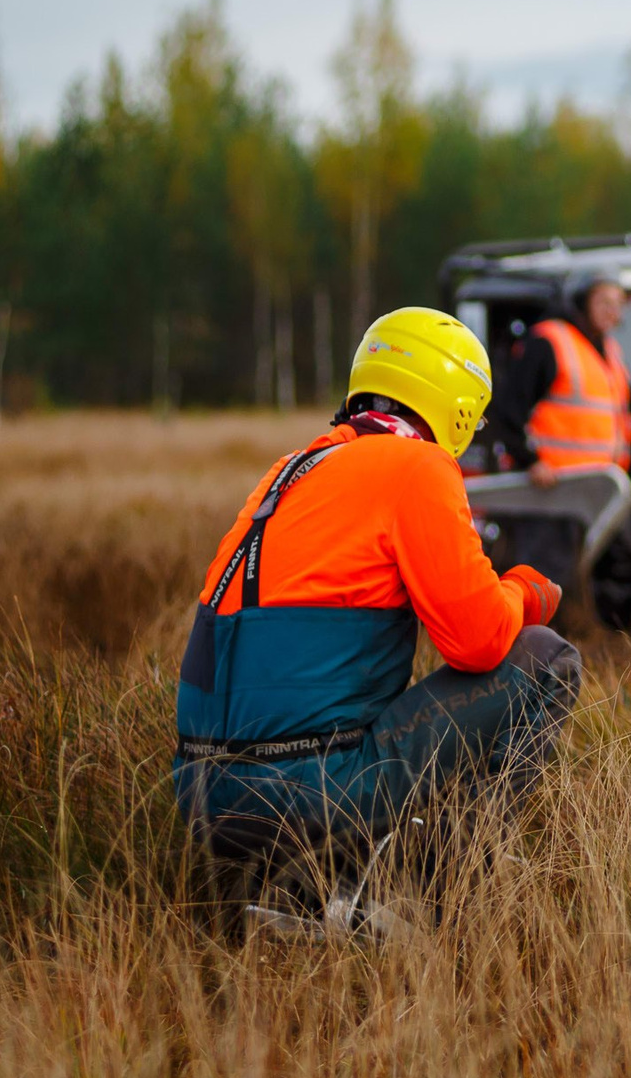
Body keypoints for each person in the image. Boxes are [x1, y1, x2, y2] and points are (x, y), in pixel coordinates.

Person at [175, 307, 581, 936]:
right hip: (310, 785)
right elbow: (477, 643)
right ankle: (436, 896)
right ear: (458, 407)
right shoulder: (416, 467)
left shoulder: (292, 470)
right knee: (547, 659)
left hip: (203, 794)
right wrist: (525, 592)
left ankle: (307, 888)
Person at [477, 268, 631, 607]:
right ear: (582, 302)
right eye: (604, 302)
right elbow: (507, 412)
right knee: (545, 580)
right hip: (553, 492)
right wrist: (530, 461)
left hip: (601, 490)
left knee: (621, 571)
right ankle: (535, 652)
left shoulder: (609, 352)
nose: (614, 311)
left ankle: (618, 648)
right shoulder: (548, 343)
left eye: (619, 303)